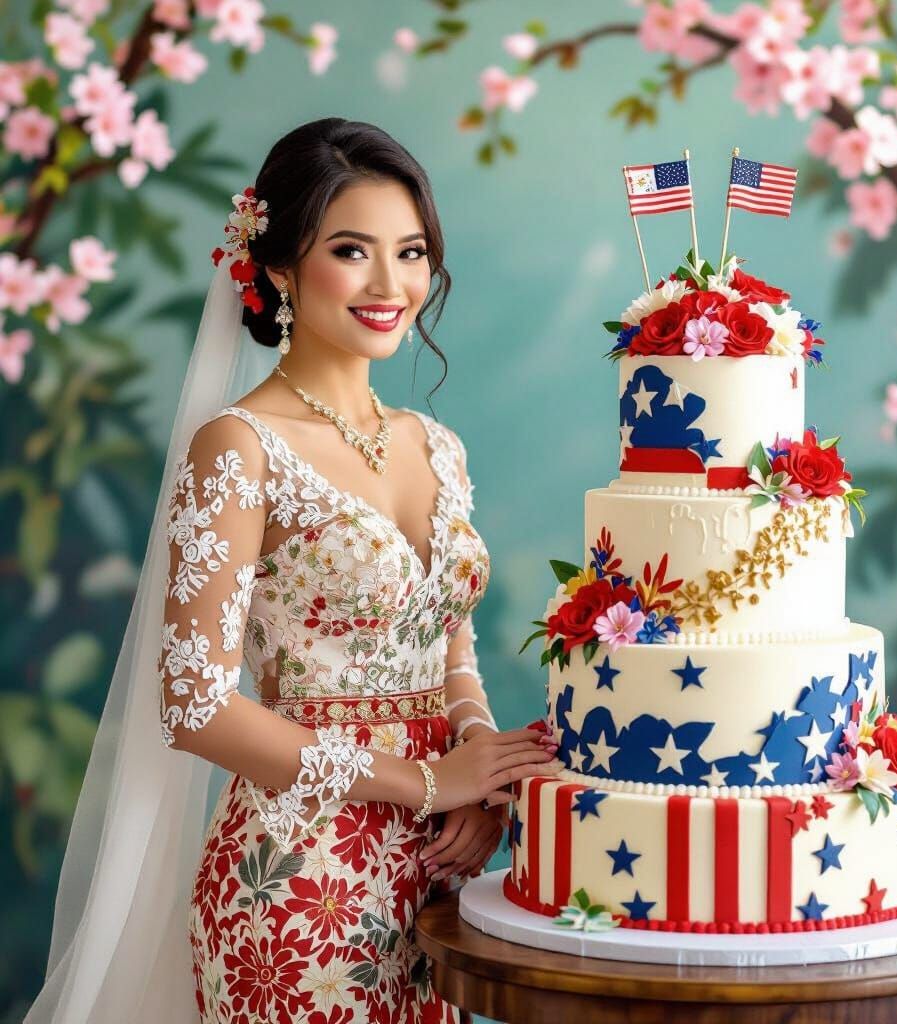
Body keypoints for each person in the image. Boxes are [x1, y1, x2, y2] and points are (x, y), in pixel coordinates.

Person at [24, 117, 560, 1024]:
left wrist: (484, 772)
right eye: (353, 251)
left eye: (412, 252)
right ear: (276, 265)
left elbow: (450, 649)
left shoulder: (439, 446)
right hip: (297, 877)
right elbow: (195, 705)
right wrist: (430, 783)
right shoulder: (239, 447)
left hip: (441, 876)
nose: (391, 285)